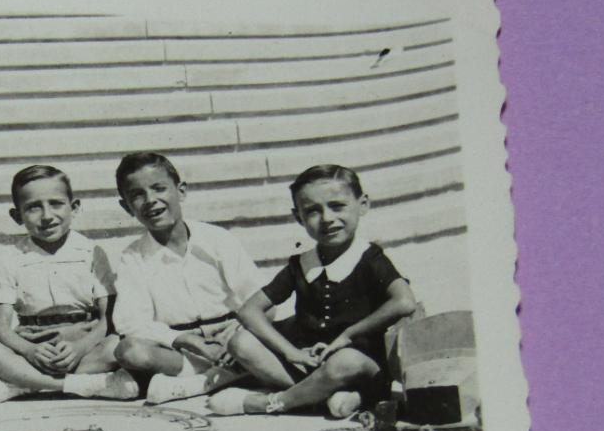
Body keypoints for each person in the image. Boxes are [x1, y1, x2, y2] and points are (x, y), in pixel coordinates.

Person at [210, 164, 418, 417]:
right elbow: (250, 311)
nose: (327, 218)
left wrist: (348, 335)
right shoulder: (302, 263)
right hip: (311, 364)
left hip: (360, 363)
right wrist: (291, 352)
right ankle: (323, 398)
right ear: (298, 217)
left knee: (344, 362)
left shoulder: (369, 258)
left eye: (337, 206)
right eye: (312, 211)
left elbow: (405, 301)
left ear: (363, 204)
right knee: (241, 342)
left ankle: (274, 402)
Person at [110, 152, 282, 403]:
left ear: (180, 191)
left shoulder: (217, 239)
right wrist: (186, 340)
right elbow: (131, 322)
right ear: (126, 207)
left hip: (234, 334)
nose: (150, 200)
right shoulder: (133, 257)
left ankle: (204, 382)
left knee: (265, 333)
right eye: (137, 195)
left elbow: (259, 297)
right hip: (182, 348)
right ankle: (227, 376)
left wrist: (238, 333)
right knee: (129, 351)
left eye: (159, 188)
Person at [0, 165, 138, 403]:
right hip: (35, 347)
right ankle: (80, 385)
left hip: (84, 344)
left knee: (118, 346)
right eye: (33, 207)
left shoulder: (91, 252)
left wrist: (81, 347)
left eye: (56, 204)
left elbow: (109, 318)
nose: (47, 215)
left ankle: (25, 384)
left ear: (75, 207)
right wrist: (29, 351)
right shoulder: (11, 259)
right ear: (17, 216)